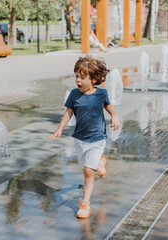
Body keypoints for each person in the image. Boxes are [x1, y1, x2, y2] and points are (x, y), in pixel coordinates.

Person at [48, 56, 120, 219]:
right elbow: (68, 113)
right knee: (85, 167)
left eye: (82, 77)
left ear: (93, 79)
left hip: (97, 138)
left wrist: (114, 116)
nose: (78, 80)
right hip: (80, 139)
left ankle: (85, 203)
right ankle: (100, 161)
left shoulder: (101, 94)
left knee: (88, 172)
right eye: (76, 76)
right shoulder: (74, 94)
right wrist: (59, 129)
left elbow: (109, 107)